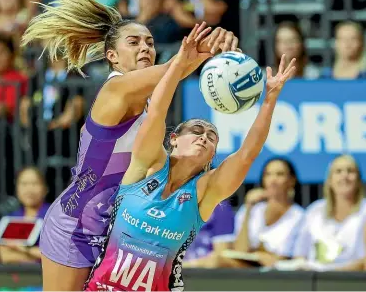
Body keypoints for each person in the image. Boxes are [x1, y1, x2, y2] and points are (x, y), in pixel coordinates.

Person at [21, 0, 239, 291]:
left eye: (149, 42)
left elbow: (174, 72)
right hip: (76, 225)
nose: (145, 48)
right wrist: (203, 50)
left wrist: (208, 50)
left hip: (114, 231)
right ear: (112, 56)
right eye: (133, 42)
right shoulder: (115, 89)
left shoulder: (152, 99)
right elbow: (173, 69)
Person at [84, 24, 296, 291]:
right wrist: (180, 62)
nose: (204, 137)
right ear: (173, 139)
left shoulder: (205, 192)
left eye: (211, 137)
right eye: (196, 130)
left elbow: (246, 155)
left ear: (212, 156)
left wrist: (269, 101)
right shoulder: (148, 164)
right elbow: (157, 111)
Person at [291, 155, 366, 271]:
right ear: (330, 180)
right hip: (313, 281)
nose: (344, 176)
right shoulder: (314, 210)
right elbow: (299, 254)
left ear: (358, 180)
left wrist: (332, 274)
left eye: (350, 171)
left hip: (353, 281)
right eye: (338, 171)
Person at [232, 158, 304, 267]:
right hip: (245, 270)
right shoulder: (252, 209)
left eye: (279, 174)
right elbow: (240, 250)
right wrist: (248, 208)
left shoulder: (299, 216)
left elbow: (292, 257)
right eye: (268, 174)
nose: (273, 180)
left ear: (292, 180)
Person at [0, 166, 50, 264]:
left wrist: (22, 249)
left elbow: (56, 255)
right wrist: (36, 256)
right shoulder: (12, 218)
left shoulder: (54, 217)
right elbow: (5, 256)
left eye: (35, 184)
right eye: (24, 184)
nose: (29, 189)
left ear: (45, 188)